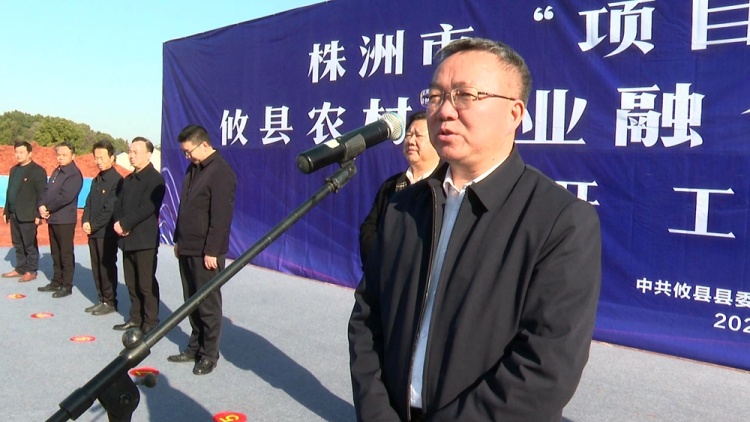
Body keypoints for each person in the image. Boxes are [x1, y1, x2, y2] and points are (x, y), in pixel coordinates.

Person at [348, 38, 602, 421]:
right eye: (435, 96)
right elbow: (368, 317)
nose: (444, 111)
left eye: (465, 95)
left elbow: (545, 366)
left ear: (514, 113)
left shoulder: (560, 221)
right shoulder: (403, 207)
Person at [167, 125, 237, 376]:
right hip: (187, 245)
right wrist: (178, 239)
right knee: (191, 302)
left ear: (204, 145)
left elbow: (221, 217)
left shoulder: (221, 172)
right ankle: (194, 347)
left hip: (206, 251)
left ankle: (209, 354)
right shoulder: (193, 169)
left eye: (189, 151)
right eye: (184, 152)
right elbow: (184, 207)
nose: (187, 156)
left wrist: (212, 251)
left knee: (207, 304)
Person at [358, 111, 440, 267]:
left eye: (418, 135)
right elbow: (369, 228)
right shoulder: (391, 185)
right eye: (408, 135)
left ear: (437, 140)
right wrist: (380, 264)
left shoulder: (444, 185)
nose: (411, 141)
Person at [112, 137, 165, 335]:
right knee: (131, 282)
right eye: (130, 152)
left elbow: (147, 208)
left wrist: (126, 224)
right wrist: (119, 223)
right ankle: (135, 318)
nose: (131, 156)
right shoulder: (128, 180)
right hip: (127, 239)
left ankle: (150, 320)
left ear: (149, 154)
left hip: (144, 240)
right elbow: (119, 204)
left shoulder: (155, 179)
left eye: (136, 152)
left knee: (145, 283)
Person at [81, 140, 123, 316]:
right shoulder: (96, 179)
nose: (98, 161)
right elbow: (89, 203)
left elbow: (110, 209)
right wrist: (85, 220)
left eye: (102, 157)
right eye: (96, 157)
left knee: (106, 267)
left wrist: (94, 224)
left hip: (107, 233)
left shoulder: (117, 180)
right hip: (93, 232)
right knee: (96, 266)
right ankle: (101, 299)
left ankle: (110, 301)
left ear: (112, 158)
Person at [37, 141, 84, 298]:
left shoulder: (74, 174)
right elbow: (46, 190)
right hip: (53, 218)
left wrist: (48, 208)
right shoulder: (57, 171)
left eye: (64, 155)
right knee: (55, 252)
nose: (61, 157)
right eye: (59, 155)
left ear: (73, 155)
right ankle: (56, 281)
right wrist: (41, 205)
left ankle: (66, 285)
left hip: (65, 220)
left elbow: (65, 197)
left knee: (65, 253)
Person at [2, 141, 47, 282]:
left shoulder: (38, 171)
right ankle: (20, 268)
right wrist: (6, 211)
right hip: (14, 213)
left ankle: (31, 270)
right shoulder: (14, 170)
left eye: (21, 152)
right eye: (16, 152)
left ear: (30, 153)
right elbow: (10, 191)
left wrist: (38, 215)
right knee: (17, 243)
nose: (18, 155)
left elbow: (42, 194)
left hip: (28, 214)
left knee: (29, 244)